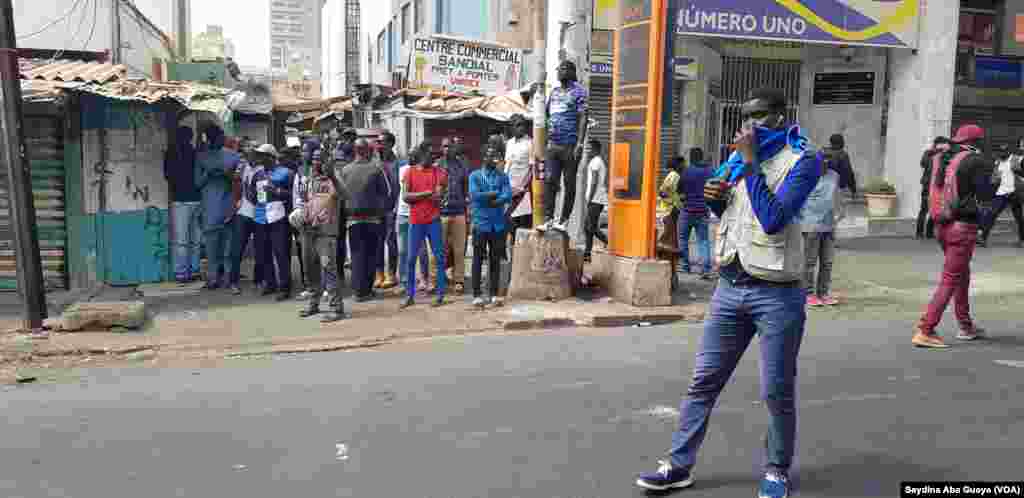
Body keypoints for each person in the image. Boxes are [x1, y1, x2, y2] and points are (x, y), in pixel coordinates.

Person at [636, 87, 822, 498]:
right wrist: (716, 202)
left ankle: (776, 469)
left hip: (776, 293)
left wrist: (752, 164)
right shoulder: (735, 161)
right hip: (730, 286)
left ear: (779, 115)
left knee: (776, 390)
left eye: (759, 116)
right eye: (746, 116)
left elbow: (773, 220)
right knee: (703, 381)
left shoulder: (804, 159)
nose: (750, 125)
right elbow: (734, 215)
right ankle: (678, 465)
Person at [913, 124, 993, 348]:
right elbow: (986, 194)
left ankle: (966, 326)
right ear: (977, 142)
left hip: (940, 224)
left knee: (960, 274)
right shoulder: (976, 161)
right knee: (951, 278)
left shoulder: (938, 157)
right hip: (963, 227)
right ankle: (926, 329)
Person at [293, 151, 348, 322]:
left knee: (328, 270)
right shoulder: (309, 179)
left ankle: (336, 309)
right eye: (314, 158)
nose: (316, 162)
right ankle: (314, 304)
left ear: (328, 162)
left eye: (320, 159)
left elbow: (345, 195)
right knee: (310, 270)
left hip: (326, 233)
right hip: (308, 231)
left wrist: (331, 175)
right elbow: (305, 202)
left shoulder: (334, 179)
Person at [340, 138, 392, 302]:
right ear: (367, 150)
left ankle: (358, 291)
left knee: (356, 255)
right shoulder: (376, 168)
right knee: (370, 255)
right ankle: (366, 290)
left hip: (352, 220)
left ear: (356, 151)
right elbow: (387, 192)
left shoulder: (345, 170)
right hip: (373, 219)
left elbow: (340, 195)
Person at [541, 59, 588, 231]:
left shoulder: (579, 92)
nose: (559, 72)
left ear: (571, 71)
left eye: (562, 69)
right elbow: (546, 115)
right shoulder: (553, 92)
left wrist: (580, 143)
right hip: (553, 144)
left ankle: (564, 219)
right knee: (550, 180)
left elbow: (584, 116)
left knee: (569, 183)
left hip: (570, 145)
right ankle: (548, 218)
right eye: (558, 69)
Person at [402, 141, 448, 309]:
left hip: (433, 220)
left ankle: (440, 295)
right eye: (429, 154)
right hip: (416, 221)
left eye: (434, 154)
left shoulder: (440, 173)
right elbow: (405, 197)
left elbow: (438, 196)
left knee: (439, 257)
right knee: (410, 259)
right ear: (421, 154)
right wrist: (427, 193)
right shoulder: (410, 172)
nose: (432, 157)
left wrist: (420, 195)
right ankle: (409, 295)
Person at [469, 135, 513, 308]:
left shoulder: (502, 176)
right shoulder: (475, 176)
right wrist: (494, 195)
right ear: (483, 158)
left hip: (498, 225)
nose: (493, 159)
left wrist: (492, 198)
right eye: (490, 156)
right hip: (481, 224)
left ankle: (494, 294)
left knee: (495, 260)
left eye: (495, 156)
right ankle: (477, 294)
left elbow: (507, 195)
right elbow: (475, 195)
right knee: (478, 259)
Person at [194, 126, 239, 290]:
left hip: (227, 206)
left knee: (227, 248)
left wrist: (227, 175)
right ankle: (213, 279)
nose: (218, 140)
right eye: (215, 137)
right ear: (210, 138)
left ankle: (228, 279)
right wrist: (209, 174)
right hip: (209, 207)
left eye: (220, 137)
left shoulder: (233, 156)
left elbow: (239, 180)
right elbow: (197, 183)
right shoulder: (201, 157)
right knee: (212, 248)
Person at [249, 144, 294, 301]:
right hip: (261, 218)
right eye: (259, 156)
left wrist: (277, 192)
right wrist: (257, 199)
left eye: (263, 155)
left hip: (279, 217)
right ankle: (270, 283)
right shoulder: (258, 175)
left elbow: (294, 195)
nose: (260, 159)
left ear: (271, 157)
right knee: (264, 253)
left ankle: (285, 287)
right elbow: (251, 194)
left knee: (281, 253)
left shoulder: (287, 173)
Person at [800, 151, 841, 307]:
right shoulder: (807, 176)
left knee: (827, 262)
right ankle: (808, 293)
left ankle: (823, 293)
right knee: (809, 263)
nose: (825, 164)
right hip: (811, 224)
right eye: (822, 162)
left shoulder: (834, 176)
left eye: (827, 161)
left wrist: (838, 214)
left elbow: (836, 195)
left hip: (829, 225)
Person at [429, 137, 470, 295]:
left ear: (455, 148)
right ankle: (434, 280)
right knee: (438, 249)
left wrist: (468, 209)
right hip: (441, 214)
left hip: (459, 212)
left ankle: (458, 280)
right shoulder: (436, 166)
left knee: (459, 250)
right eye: (445, 147)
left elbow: (466, 188)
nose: (447, 149)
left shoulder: (462, 165)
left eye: (450, 147)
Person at [165, 126, 201, 283]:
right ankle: (192, 271)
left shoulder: (171, 153)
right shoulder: (195, 153)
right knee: (194, 239)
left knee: (181, 240)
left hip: (180, 200)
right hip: (196, 199)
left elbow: (167, 175)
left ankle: (182, 273)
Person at [979, 140, 1024, 248]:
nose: (1002, 154)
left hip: (1015, 192)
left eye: (1005, 152)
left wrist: (1019, 172)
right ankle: (982, 238)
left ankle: (1022, 240)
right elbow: (994, 179)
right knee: (991, 214)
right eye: (1000, 152)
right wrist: (994, 178)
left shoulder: (1017, 159)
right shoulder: (997, 162)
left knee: (1020, 218)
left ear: (1009, 152)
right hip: (1002, 193)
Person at [677, 147, 714, 278]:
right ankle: (705, 269)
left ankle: (685, 266)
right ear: (701, 157)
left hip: (687, 210)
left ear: (691, 158)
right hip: (703, 211)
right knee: (703, 241)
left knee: (682, 239)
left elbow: (679, 191)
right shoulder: (709, 172)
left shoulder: (685, 172)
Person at [374, 131, 401, 290]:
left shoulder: (397, 163)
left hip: (391, 209)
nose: (379, 144)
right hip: (376, 209)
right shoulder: (374, 161)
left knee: (391, 242)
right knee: (377, 242)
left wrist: (396, 207)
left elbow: (400, 187)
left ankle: (392, 274)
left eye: (382, 142)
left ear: (390, 144)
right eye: (378, 142)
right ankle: (379, 274)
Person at [504, 114, 533, 247]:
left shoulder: (530, 143)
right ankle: (509, 257)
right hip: (507, 190)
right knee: (506, 224)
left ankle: (520, 258)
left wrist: (522, 188)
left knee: (521, 227)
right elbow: (507, 166)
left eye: (522, 125)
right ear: (512, 128)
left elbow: (533, 169)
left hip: (523, 193)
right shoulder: (509, 143)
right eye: (517, 125)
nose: (520, 128)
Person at [917, 137, 950, 240]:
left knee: (935, 208)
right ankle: (919, 232)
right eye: (942, 144)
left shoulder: (946, 155)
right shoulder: (929, 153)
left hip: (937, 185)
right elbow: (923, 163)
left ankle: (929, 232)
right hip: (927, 185)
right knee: (924, 209)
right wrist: (935, 151)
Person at [582, 139, 608, 262]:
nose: (587, 151)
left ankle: (589, 252)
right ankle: (587, 253)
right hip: (596, 199)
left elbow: (594, 182)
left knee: (589, 227)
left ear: (596, 150)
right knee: (589, 227)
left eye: (590, 149)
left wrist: (590, 198)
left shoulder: (596, 162)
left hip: (595, 200)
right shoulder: (596, 161)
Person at [822, 133, 857, 224]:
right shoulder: (842, 155)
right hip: (838, 187)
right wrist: (853, 188)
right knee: (838, 213)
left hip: (822, 186)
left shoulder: (823, 153)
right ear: (842, 143)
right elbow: (848, 172)